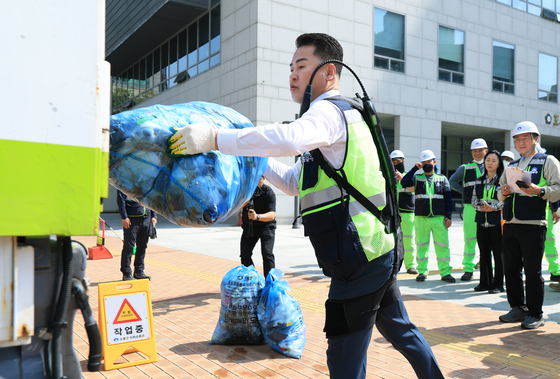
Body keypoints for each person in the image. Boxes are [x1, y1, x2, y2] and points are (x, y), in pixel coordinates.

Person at [168, 33, 444, 379]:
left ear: (329, 73)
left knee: (342, 356)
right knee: (401, 331)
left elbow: (287, 139)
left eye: (302, 66)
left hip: (359, 260)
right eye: (290, 68)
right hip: (373, 251)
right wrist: (254, 156)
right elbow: (295, 183)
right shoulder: (332, 123)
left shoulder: (328, 111)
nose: (292, 76)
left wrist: (216, 139)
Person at [497, 121, 560, 329]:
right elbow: (499, 192)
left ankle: (536, 313)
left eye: (525, 138)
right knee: (511, 269)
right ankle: (518, 307)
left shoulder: (547, 161)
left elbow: (558, 188)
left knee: (532, 271)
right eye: (517, 139)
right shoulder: (511, 165)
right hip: (511, 223)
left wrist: (540, 191)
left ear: (536, 139)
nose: (521, 142)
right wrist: (503, 192)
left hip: (533, 224)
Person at [401, 150, 455, 283]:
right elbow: (404, 183)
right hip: (421, 218)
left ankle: (445, 272)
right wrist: (415, 168)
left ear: (434, 162)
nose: (427, 164)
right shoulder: (417, 178)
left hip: (439, 218)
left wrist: (449, 216)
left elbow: (448, 199)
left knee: (443, 246)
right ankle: (422, 272)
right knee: (422, 245)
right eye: (424, 162)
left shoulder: (442, 178)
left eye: (429, 161)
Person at [449, 138, 489, 281]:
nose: (477, 153)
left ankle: (488, 269)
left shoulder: (493, 166)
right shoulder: (465, 168)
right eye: (474, 151)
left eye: (480, 150)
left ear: (486, 151)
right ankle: (468, 269)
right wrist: (465, 193)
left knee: (488, 240)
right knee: (470, 238)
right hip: (470, 208)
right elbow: (452, 182)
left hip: (489, 208)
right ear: (472, 152)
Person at [471, 150, 504, 293]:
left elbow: (505, 201)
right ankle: (484, 283)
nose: (490, 163)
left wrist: (493, 207)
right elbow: (472, 201)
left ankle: (498, 284)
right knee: (483, 253)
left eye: (493, 160)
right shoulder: (479, 180)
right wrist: (481, 207)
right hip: (481, 221)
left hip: (496, 222)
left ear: (499, 164)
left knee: (498, 254)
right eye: (488, 160)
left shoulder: (502, 180)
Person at [240, 175, 277, 278]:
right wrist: (245, 200)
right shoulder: (247, 191)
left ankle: (270, 283)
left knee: (267, 254)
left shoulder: (268, 192)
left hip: (266, 227)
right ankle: (253, 279)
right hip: (250, 227)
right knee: (245, 255)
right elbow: (236, 206)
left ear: (264, 178)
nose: (255, 180)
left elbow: (272, 215)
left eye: (259, 178)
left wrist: (257, 216)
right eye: (254, 177)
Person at [117, 190, 157, 281]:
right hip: (131, 219)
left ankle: (139, 271)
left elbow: (151, 198)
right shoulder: (125, 181)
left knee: (142, 246)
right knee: (129, 247)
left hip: (146, 218)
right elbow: (121, 199)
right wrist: (124, 217)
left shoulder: (146, 181)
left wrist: (154, 215)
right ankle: (126, 273)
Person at [390, 150, 417, 275]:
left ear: (404, 161)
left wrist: (402, 179)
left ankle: (410, 265)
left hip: (407, 213)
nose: (396, 164)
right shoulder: (387, 178)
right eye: (393, 162)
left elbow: (417, 190)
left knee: (408, 239)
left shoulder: (410, 176)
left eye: (398, 161)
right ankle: (393, 265)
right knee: (392, 241)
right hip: (392, 213)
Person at [545, 201, 560, 282]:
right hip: (521, 211)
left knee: (550, 240)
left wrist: (555, 209)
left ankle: (555, 271)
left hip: (544, 210)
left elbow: (553, 190)